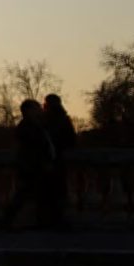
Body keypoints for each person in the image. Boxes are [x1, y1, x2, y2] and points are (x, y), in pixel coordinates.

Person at [5, 97, 56, 231]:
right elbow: (32, 149)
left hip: (33, 166)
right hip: (32, 167)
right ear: (29, 111)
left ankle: (15, 221)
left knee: (29, 195)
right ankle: (10, 222)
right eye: (37, 107)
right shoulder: (28, 127)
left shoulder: (34, 125)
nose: (40, 109)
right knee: (24, 195)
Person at [43, 92, 79, 228]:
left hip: (51, 159)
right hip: (59, 160)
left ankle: (51, 219)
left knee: (50, 191)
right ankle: (59, 219)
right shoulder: (63, 119)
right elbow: (72, 141)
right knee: (59, 191)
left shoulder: (45, 120)